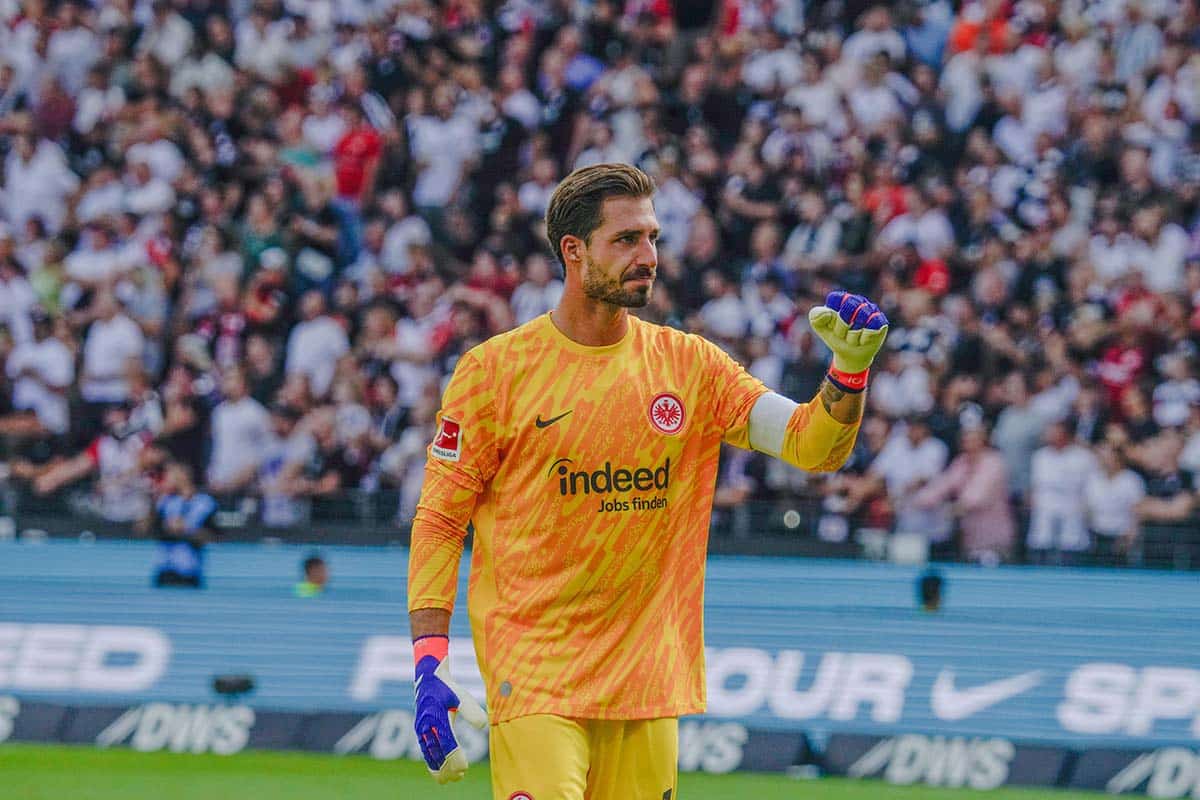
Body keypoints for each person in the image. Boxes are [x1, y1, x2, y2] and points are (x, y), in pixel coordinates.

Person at [406, 164, 889, 796]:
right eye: (627, 240)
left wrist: (848, 372)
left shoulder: (691, 366)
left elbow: (812, 445)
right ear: (573, 252)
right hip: (537, 674)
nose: (649, 256)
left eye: (653, 238)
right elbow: (441, 519)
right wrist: (427, 663)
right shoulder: (495, 373)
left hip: (645, 683)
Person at [149, 461, 217, 588]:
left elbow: (214, 536)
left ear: (183, 476)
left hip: (189, 571)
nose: (166, 478)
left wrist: (186, 529)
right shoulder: (165, 502)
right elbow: (151, 531)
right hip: (165, 570)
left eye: (170, 474)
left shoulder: (205, 503)